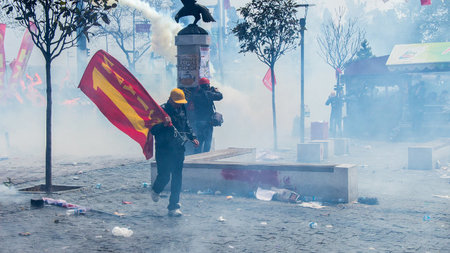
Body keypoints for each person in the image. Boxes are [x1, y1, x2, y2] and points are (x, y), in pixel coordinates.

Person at [150, 88, 199, 217]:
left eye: (180, 102)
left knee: (177, 178)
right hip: (164, 149)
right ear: (171, 100)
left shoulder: (182, 109)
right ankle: (156, 189)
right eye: (177, 102)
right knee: (164, 176)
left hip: (178, 149)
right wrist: (163, 125)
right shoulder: (160, 111)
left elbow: (186, 125)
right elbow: (152, 129)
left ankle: (173, 206)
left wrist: (192, 137)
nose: (179, 104)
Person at [189, 77, 223, 153]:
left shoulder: (195, 94)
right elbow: (220, 96)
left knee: (199, 141)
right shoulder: (209, 94)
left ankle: (196, 157)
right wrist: (215, 90)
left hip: (198, 121)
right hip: (208, 122)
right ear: (208, 85)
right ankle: (205, 157)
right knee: (207, 142)